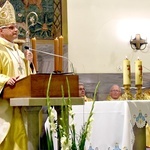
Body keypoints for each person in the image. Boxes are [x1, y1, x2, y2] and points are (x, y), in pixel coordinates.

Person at [0, 1, 35, 149]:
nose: (16, 30)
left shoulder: (18, 51)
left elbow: (27, 78)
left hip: (21, 107)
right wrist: (6, 80)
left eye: (16, 27)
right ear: (1, 31)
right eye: (11, 27)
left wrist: (30, 63)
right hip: (5, 108)